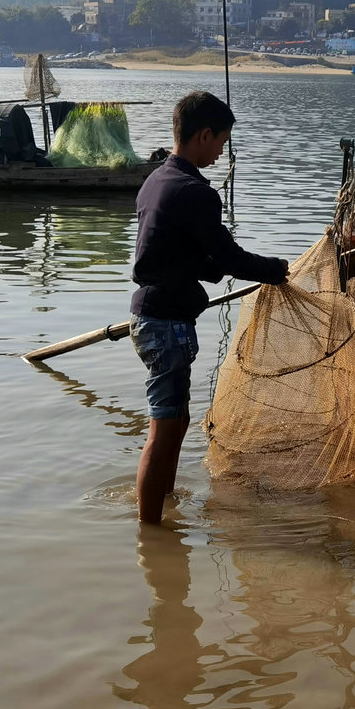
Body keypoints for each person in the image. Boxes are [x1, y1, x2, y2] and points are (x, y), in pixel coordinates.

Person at [130, 91, 288, 524]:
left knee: (175, 422)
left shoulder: (157, 180)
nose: (222, 151)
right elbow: (233, 259)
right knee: (163, 430)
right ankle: (152, 534)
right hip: (165, 324)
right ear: (203, 136)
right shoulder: (196, 192)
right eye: (222, 142)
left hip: (154, 317)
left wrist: (208, 269)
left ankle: (162, 502)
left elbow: (167, 251)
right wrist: (279, 269)